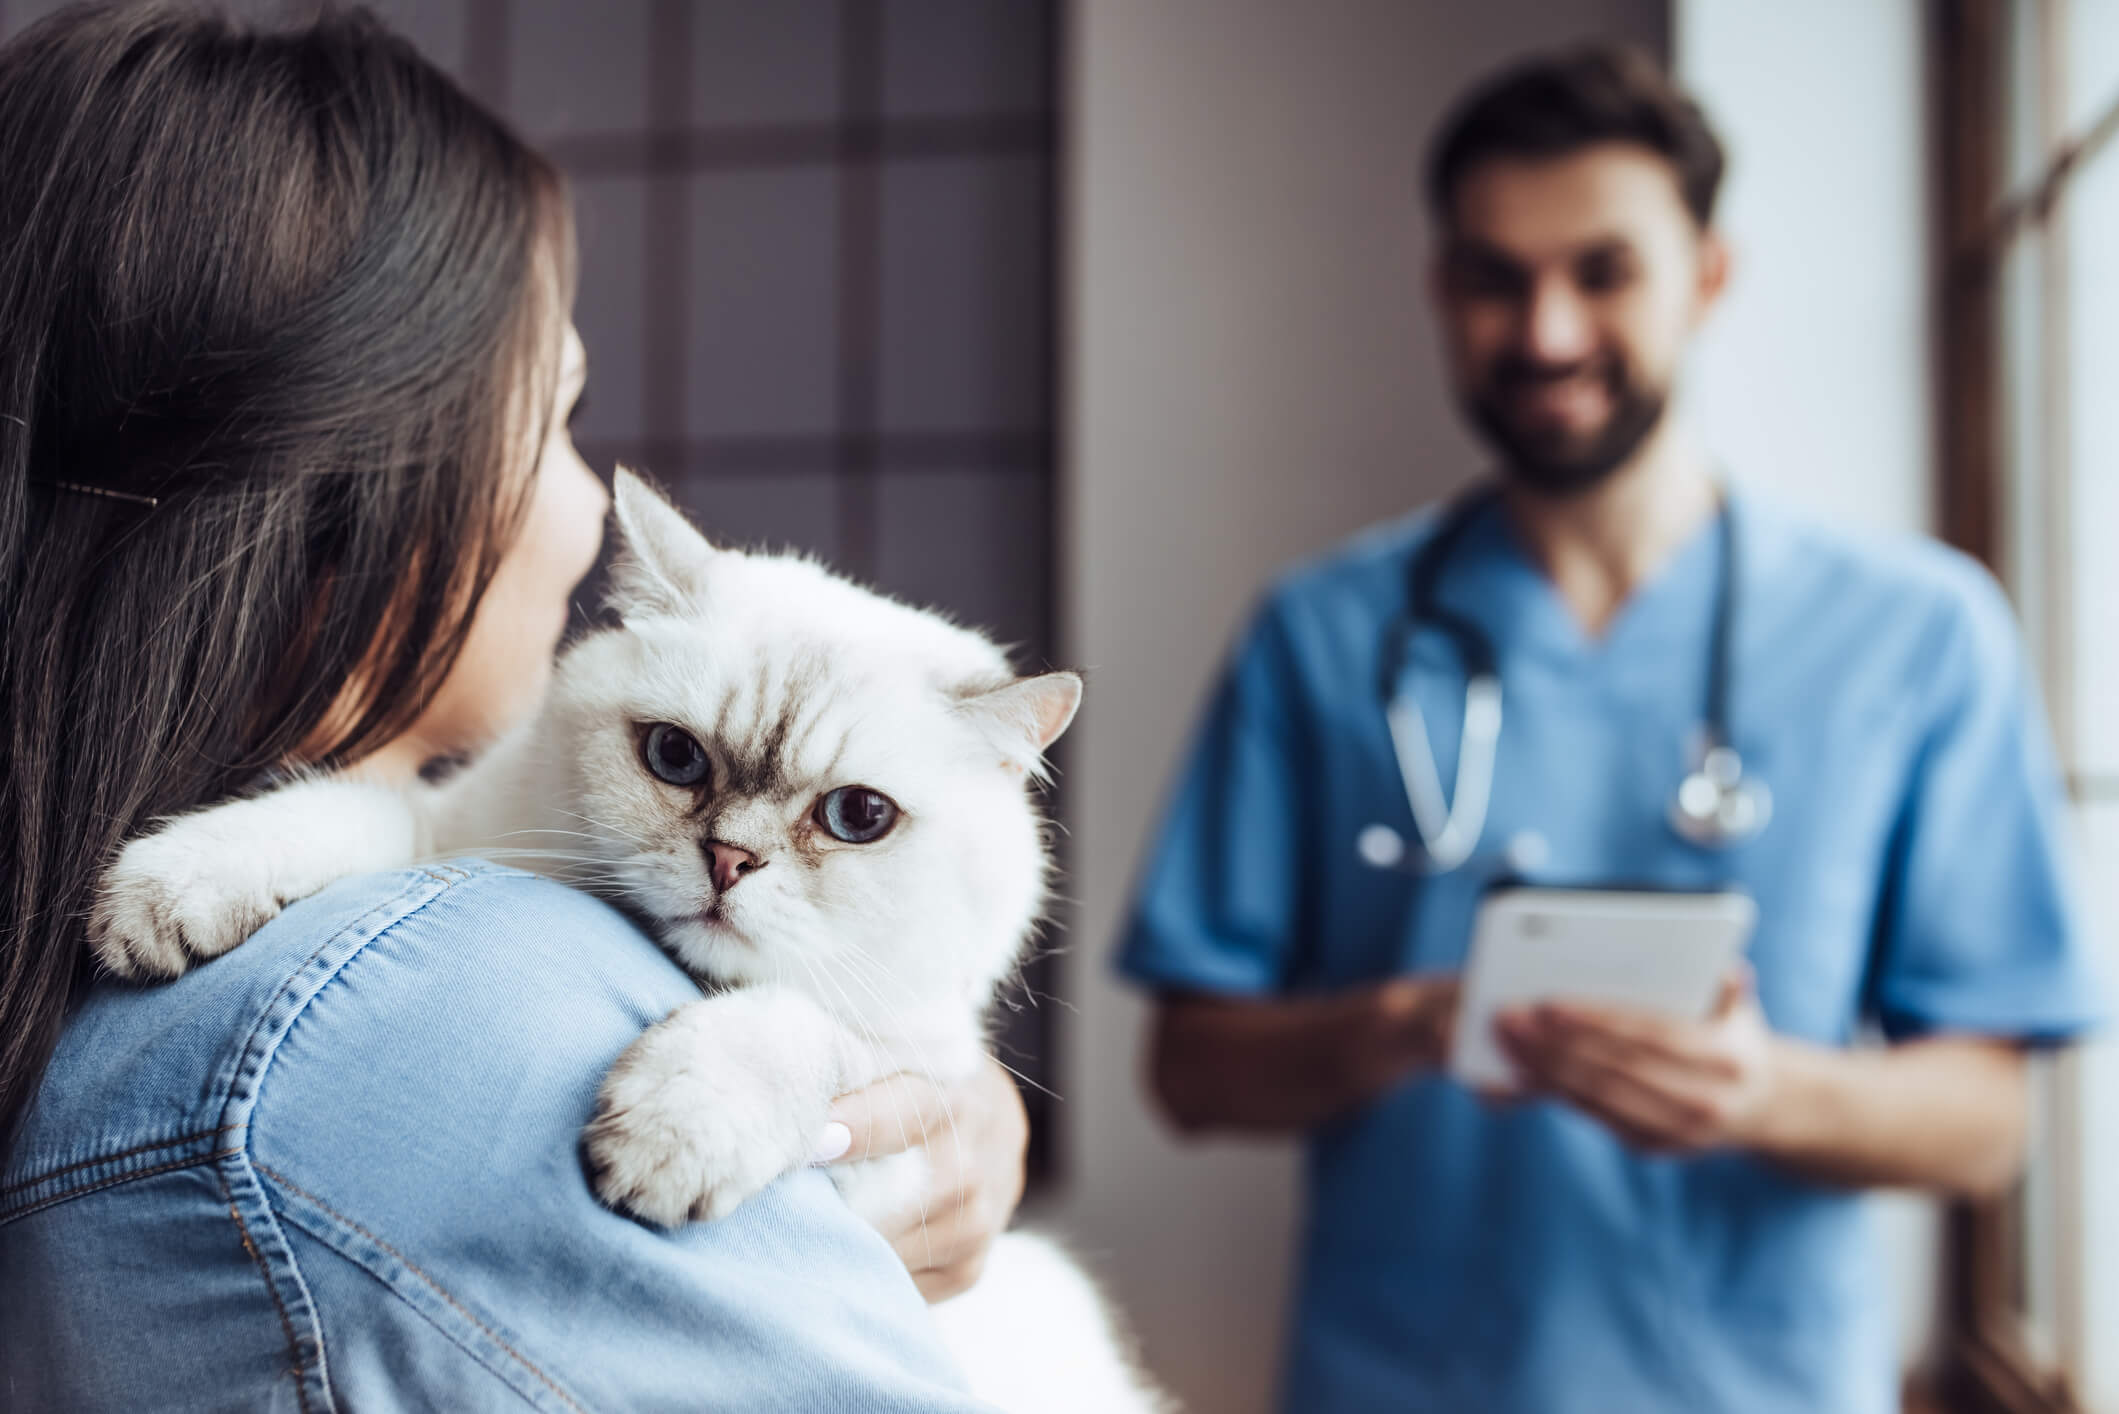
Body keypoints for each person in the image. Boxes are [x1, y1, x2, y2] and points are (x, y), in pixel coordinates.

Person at [0, 6, 1020, 1408]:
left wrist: (928, 1086)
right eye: (555, 415)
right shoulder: (447, 1006)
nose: (598, 500)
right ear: (336, 500)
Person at [1118, 44, 2102, 1414]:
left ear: (1708, 275)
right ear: (1437, 286)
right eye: (1494, 276)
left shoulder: (1919, 634)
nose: (1548, 331)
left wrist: (1760, 1093)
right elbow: (1189, 1064)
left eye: (1603, 271)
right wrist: (1403, 1025)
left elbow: (1989, 1122)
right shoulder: (1321, 634)